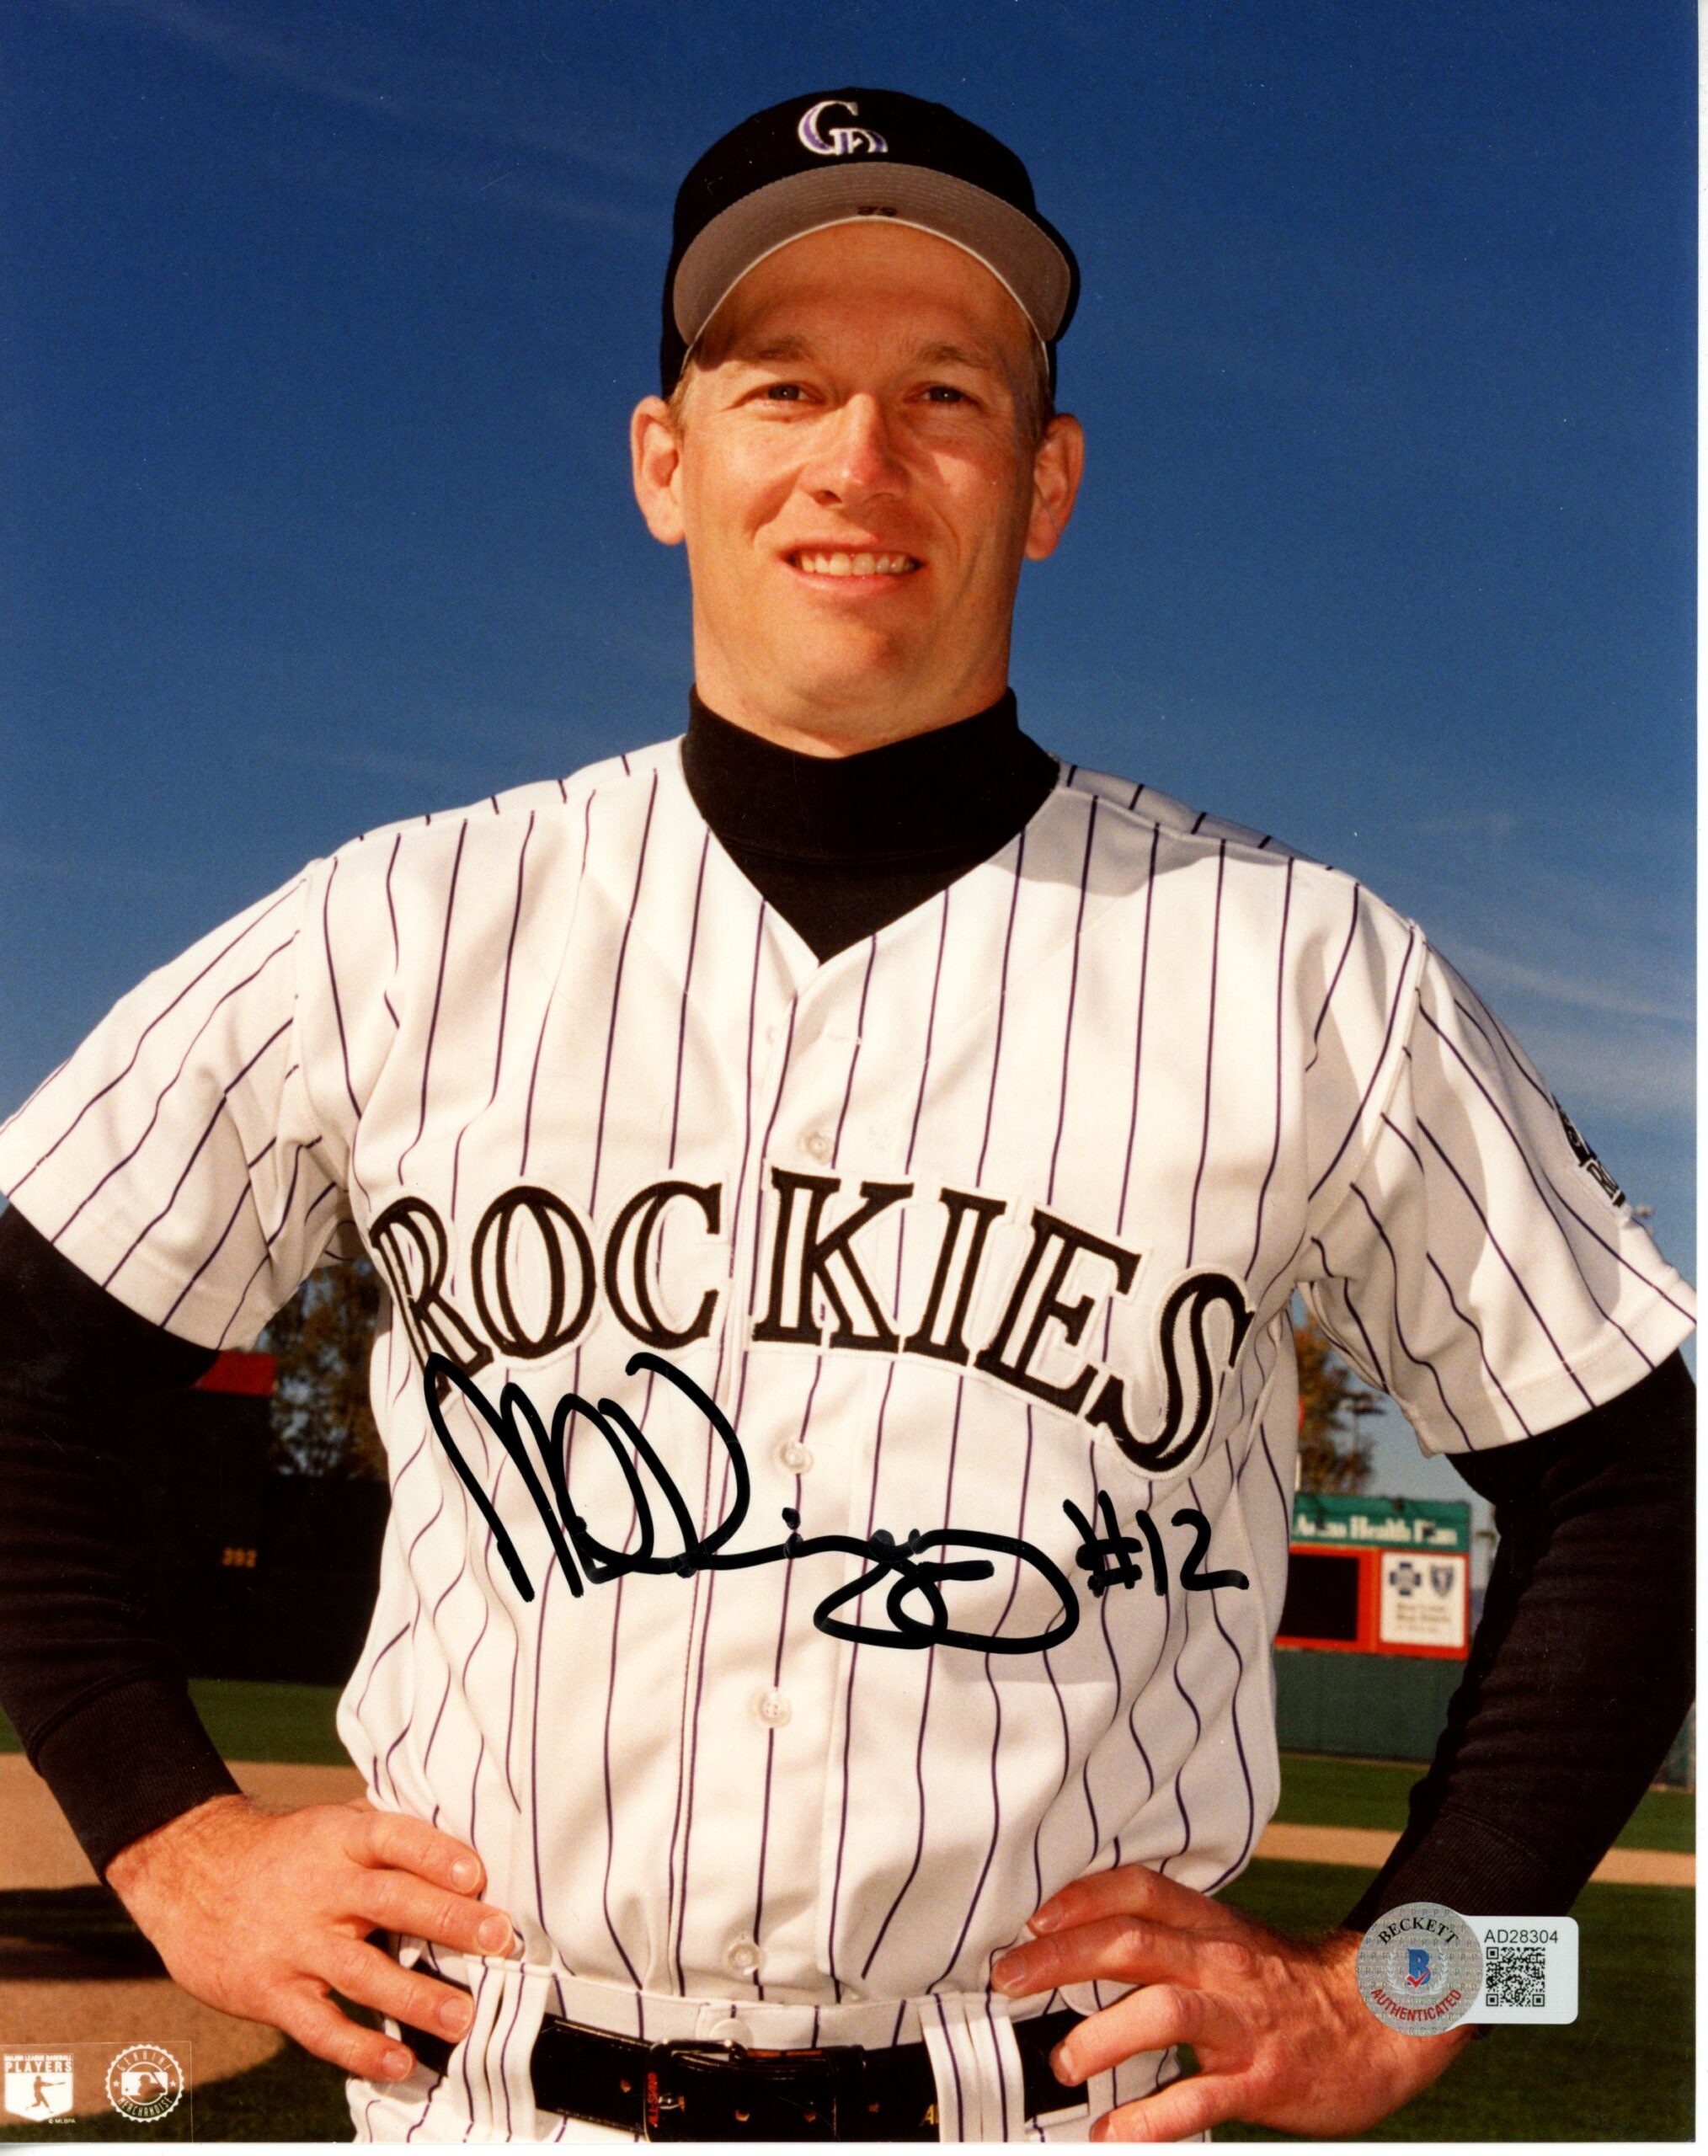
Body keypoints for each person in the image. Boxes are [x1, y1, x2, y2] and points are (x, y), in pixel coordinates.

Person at [0, 88, 1694, 2146]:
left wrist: (1437, 1984)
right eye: (783, 382)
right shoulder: (393, 925)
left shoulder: (1310, 969)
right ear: (664, 461)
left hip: (1047, 2113)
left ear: (1047, 478)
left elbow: (1648, 1472)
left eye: (947, 392)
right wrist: (165, 1847)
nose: (860, 462)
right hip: (491, 2099)